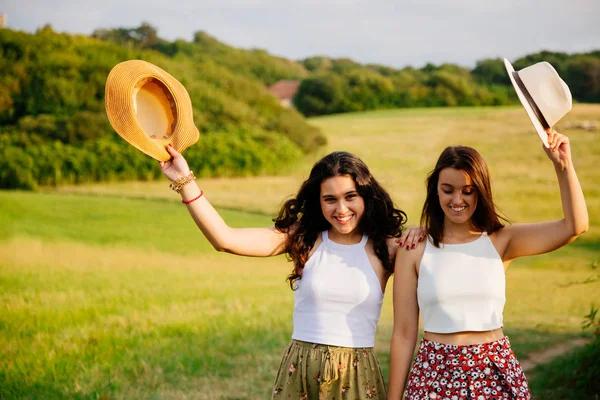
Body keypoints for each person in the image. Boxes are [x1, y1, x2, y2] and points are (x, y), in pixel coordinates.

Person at [160, 145, 407, 399]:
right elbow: (225, 239)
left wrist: (420, 234)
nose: (341, 209)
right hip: (300, 370)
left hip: (355, 375)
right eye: (330, 199)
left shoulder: (386, 248)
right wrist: (184, 180)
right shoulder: (303, 237)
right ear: (318, 201)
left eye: (350, 196)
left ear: (366, 196)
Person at [387, 129, 588, 400]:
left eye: (467, 191)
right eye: (448, 190)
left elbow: (573, 227)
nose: (457, 200)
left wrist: (563, 166)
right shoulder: (414, 249)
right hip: (434, 374)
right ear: (435, 189)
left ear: (480, 192)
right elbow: (402, 334)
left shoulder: (502, 240)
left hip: (494, 371)